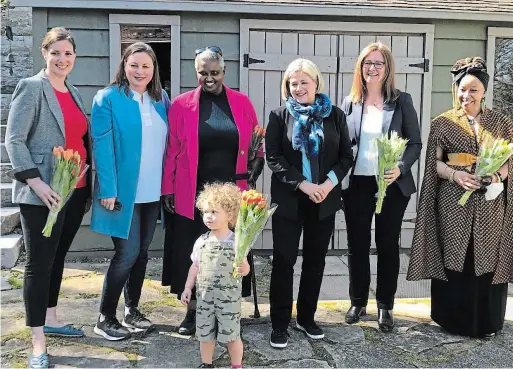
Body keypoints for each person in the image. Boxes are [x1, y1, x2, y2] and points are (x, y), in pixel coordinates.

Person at [161, 46, 264, 336]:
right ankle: (192, 312)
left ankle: (225, 309)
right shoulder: (181, 105)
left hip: (232, 194)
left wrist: (257, 162)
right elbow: (172, 150)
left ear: (224, 71)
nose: (209, 78)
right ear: (196, 72)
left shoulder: (242, 103)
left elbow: (257, 140)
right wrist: (167, 188)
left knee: (230, 250)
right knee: (193, 253)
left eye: (214, 73)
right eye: (203, 73)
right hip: (191, 192)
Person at [407, 57, 513, 338]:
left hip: (490, 206)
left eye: (474, 89)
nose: (467, 95)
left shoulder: (501, 123)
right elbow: (435, 164)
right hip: (453, 203)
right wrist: (456, 176)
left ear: (484, 91)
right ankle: (452, 319)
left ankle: (487, 322)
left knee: (486, 257)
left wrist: (494, 177)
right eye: (462, 89)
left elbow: (509, 161)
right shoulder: (443, 123)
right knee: (457, 257)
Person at [5, 27, 91, 368]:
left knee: (57, 259)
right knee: (38, 264)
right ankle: (37, 339)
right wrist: (36, 183)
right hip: (41, 194)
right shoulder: (31, 87)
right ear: (45, 53)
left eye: (68, 53)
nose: (62, 59)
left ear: (74, 58)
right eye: (56, 52)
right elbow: (14, 140)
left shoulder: (73, 92)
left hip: (74, 191)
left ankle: (52, 318)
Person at [266, 58, 353, 348]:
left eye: (305, 81)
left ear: (317, 82)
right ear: (287, 87)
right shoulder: (279, 116)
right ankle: (279, 323)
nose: (299, 87)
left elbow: (345, 157)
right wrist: (304, 184)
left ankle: (306, 317)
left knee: (315, 261)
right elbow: (274, 158)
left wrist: (327, 184)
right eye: (294, 83)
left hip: (324, 200)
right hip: (291, 200)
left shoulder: (336, 116)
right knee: (284, 262)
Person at [90, 42, 170, 341]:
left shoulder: (161, 99)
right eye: (134, 64)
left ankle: (132, 310)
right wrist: (108, 189)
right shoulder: (107, 98)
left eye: (145, 66)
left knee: (142, 253)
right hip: (123, 193)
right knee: (127, 253)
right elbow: (101, 145)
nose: (139, 71)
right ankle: (105, 316)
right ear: (124, 65)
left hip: (153, 193)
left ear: (153, 70)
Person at [340, 42, 422, 332]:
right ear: (360, 68)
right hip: (357, 185)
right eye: (367, 63)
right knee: (357, 245)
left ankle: (385, 306)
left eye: (378, 63)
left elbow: (414, 143)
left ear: (387, 69)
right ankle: (358, 301)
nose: (372, 68)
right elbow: (342, 144)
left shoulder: (402, 101)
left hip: (391, 185)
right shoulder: (349, 103)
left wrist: (400, 168)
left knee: (387, 246)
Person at [181, 183, 250, 369]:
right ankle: (207, 363)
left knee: (232, 335)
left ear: (230, 214)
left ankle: (236, 364)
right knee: (205, 334)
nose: (208, 216)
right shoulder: (201, 241)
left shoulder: (237, 242)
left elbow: (245, 269)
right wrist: (188, 287)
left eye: (214, 212)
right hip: (204, 299)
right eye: (206, 211)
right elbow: (195, 266)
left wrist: (243, 267)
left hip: (228, 300)